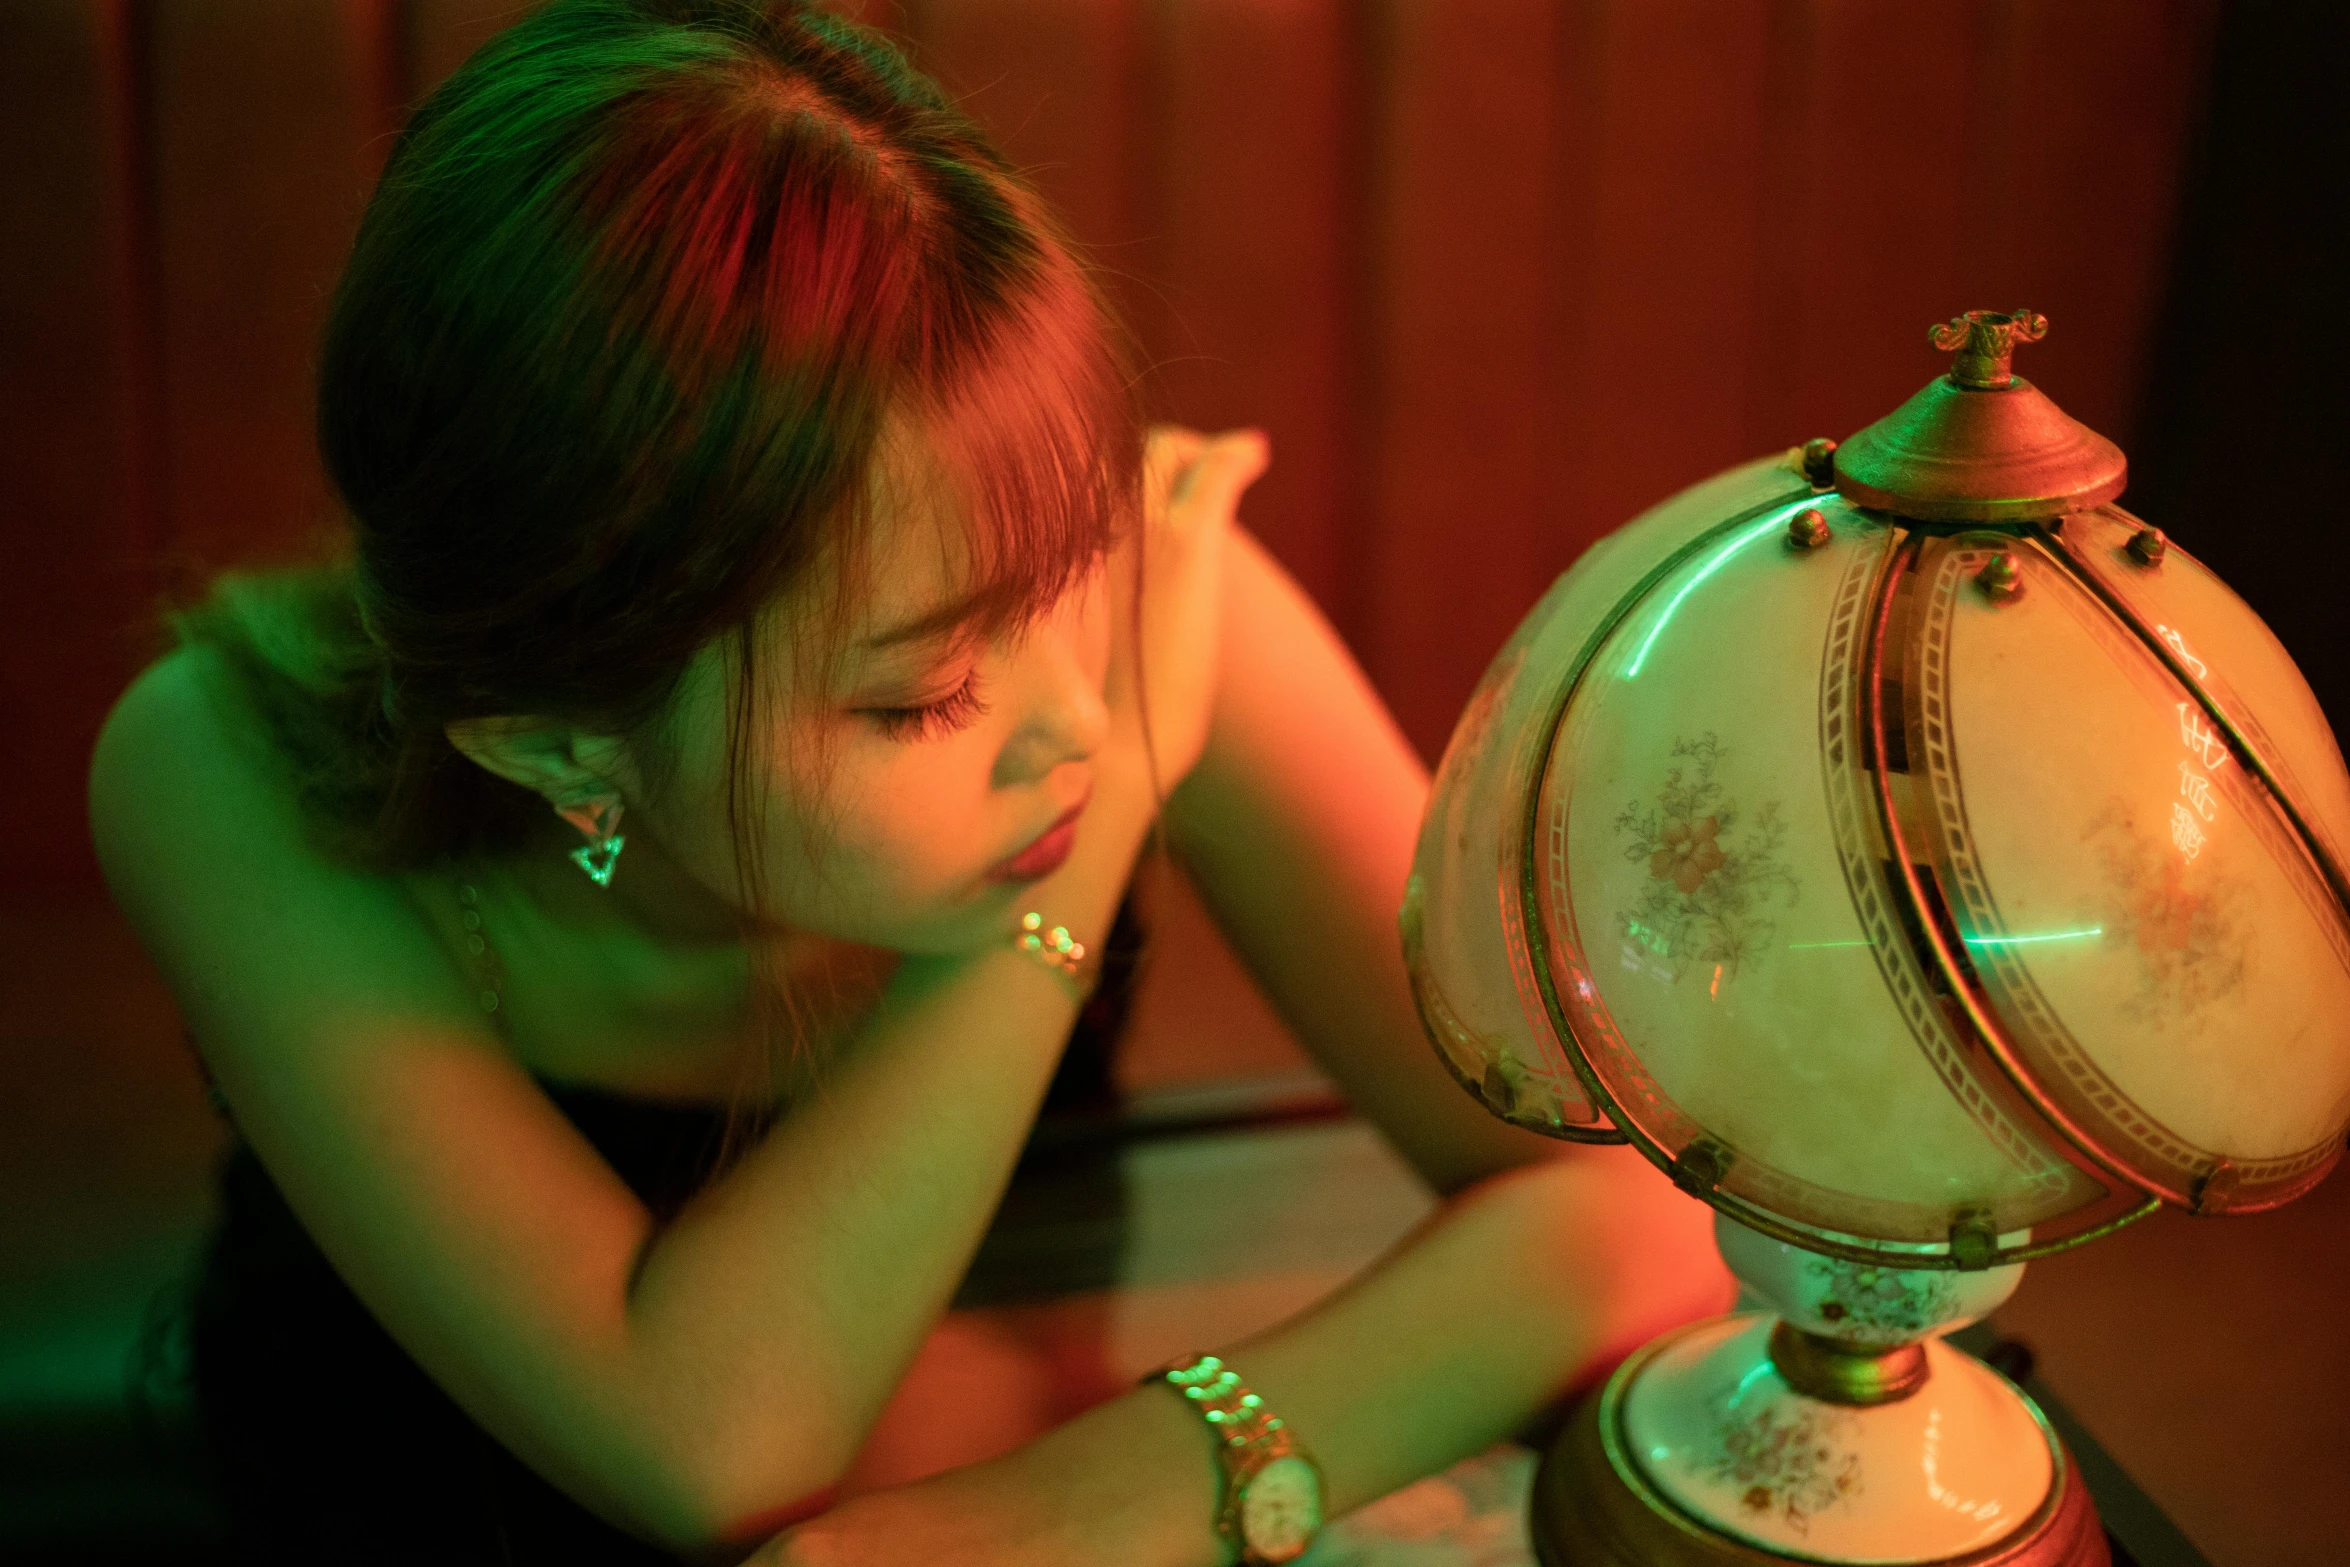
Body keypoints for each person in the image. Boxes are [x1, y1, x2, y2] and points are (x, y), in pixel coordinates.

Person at [88, 2, 1727, 1561]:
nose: (1078, 717)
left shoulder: (1155, 599)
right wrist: (1076, 878)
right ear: (558, 740)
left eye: (1073, 551)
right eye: (928, 691)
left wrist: (1121, 1491)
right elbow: (702, 1442)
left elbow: (1634, 1201)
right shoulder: (214, 761)